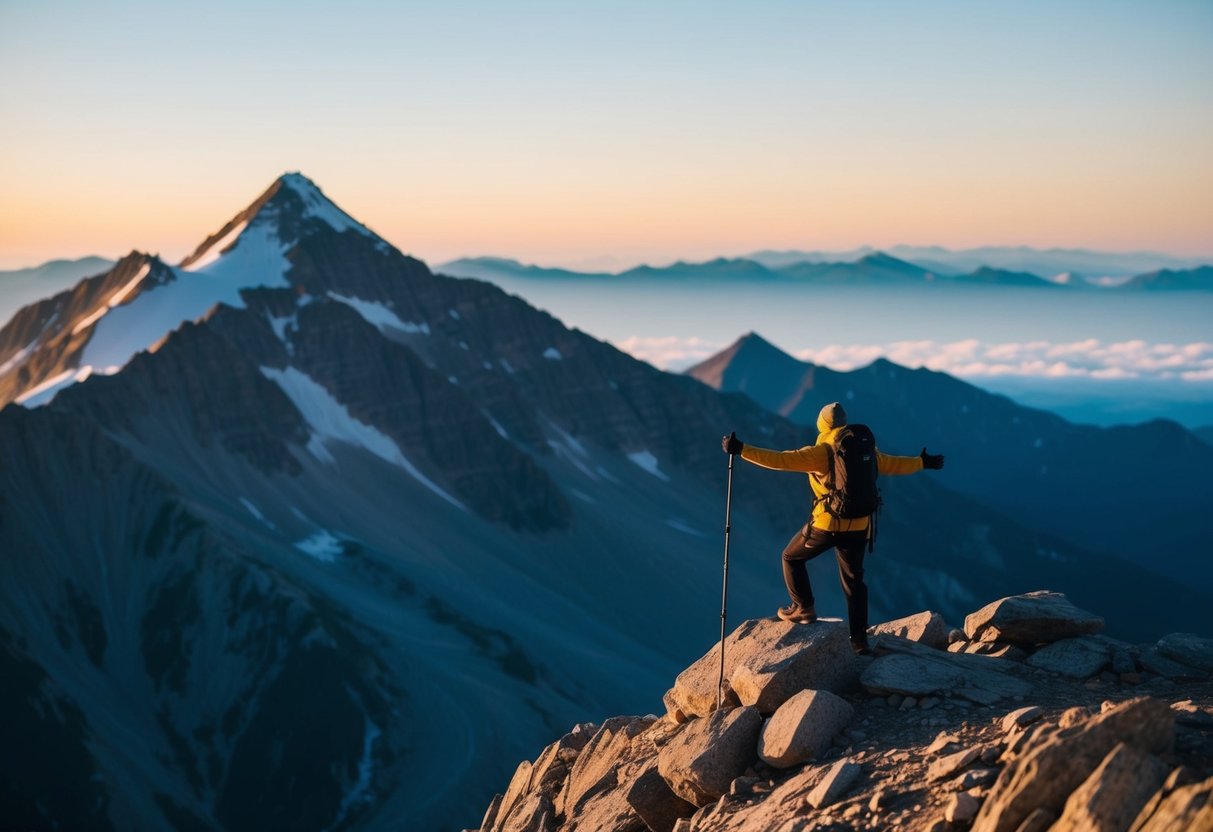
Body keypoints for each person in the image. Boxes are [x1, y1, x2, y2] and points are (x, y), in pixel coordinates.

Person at [722, 402, 944, 655]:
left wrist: (742, 450)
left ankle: (803, 608)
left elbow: (780, 460)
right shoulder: (864, 447)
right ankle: (859, 642)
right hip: (860, 524)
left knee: (791, 557)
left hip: (828, 524)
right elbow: (892, 464)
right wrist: (922, 462)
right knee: (854, 581)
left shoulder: (821, 452)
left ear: (823, 424)